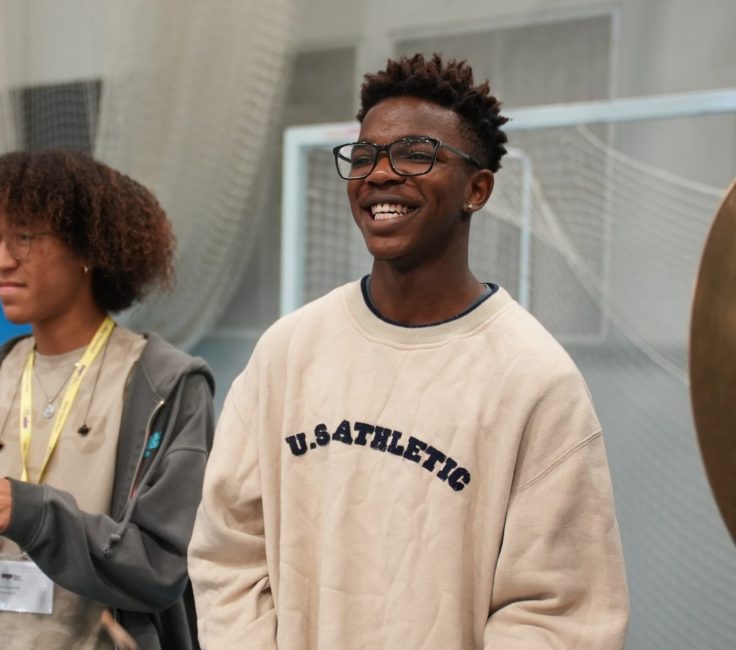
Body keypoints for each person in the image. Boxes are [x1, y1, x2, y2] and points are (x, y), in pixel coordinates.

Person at [188, 53, 630, 648]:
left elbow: (560, 612)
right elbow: (229, 548)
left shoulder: (535, 378)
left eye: (416, 154)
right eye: (364, 155)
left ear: (477, 189)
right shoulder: (289, 351)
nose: (378, 174)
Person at [0, 149, 215, 650]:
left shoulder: (167, 383)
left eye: (25, 236)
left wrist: (29, 512)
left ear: (90, 248)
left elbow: (161, 569)